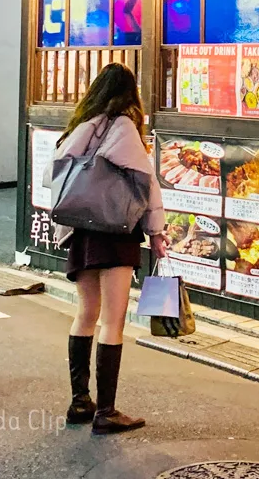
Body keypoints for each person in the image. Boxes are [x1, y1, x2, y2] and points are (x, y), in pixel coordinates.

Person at [48, 63, 167, 435]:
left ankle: (80, 402)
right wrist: (157, 232)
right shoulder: (123, 128)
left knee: (85, 313)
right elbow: (146, 184)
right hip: (115, 232)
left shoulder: (80, 128)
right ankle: (107, 411)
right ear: (129, 94)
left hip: (82, 232)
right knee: (112, 321)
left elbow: (57, 176)